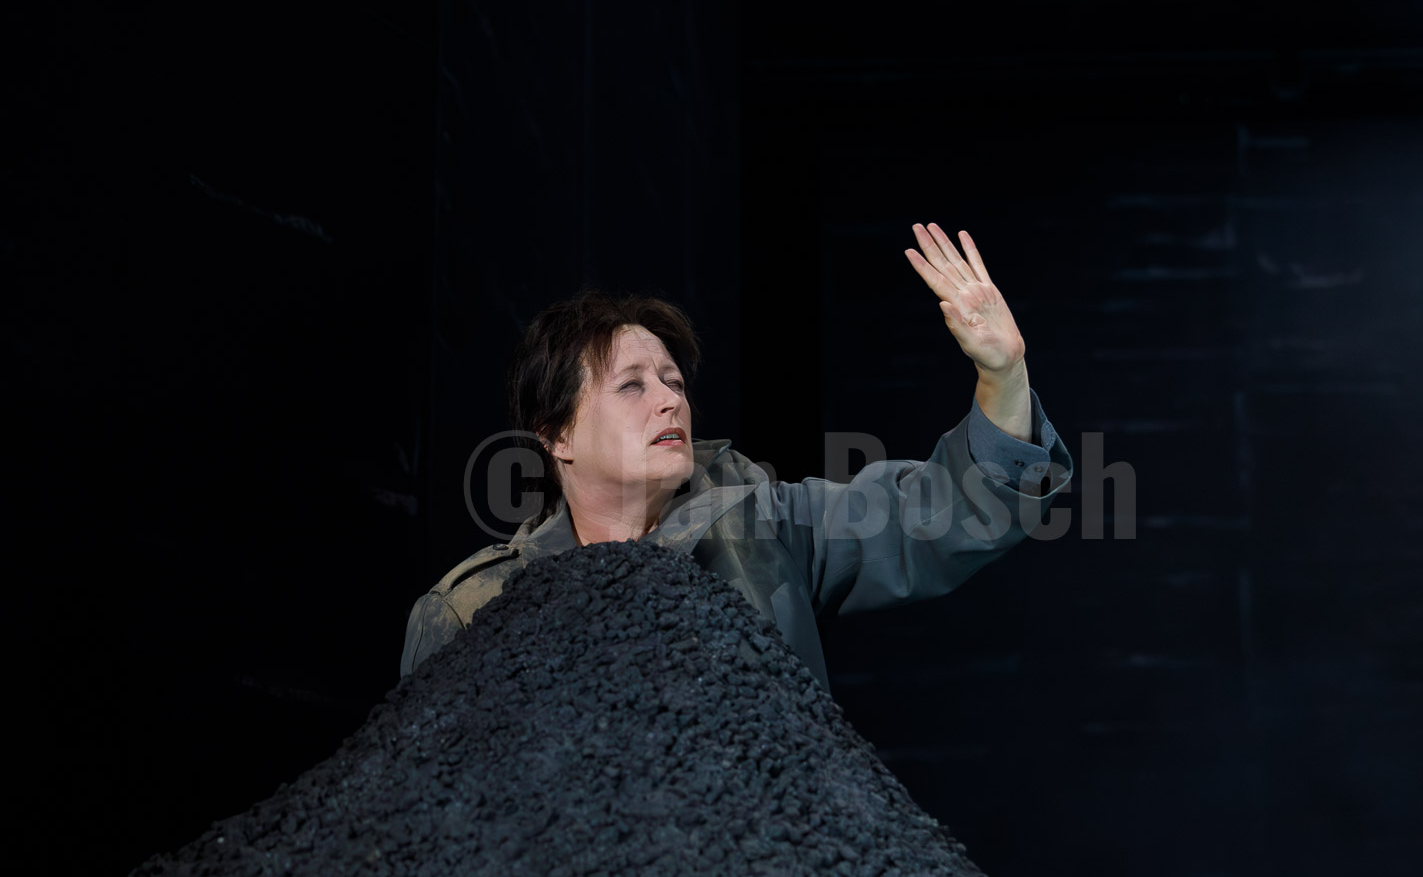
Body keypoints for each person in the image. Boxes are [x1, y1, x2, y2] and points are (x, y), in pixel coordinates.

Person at [399, 223, 1075, 694]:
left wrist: (1004, 378)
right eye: (632, 385)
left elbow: (936, 515)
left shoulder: (764, 528)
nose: (669, 400)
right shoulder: (475, 611)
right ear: (556, 436)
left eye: (673, 381)